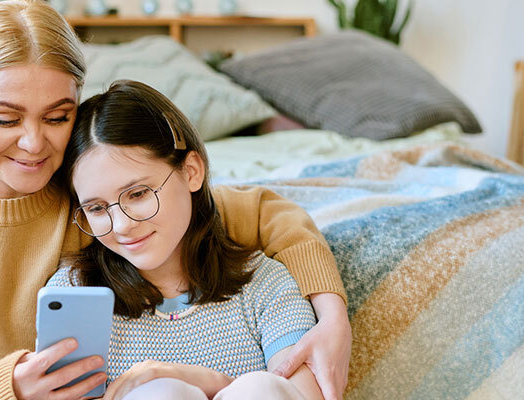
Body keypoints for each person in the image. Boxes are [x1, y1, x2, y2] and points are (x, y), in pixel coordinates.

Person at [0, 1, 349, 399]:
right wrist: (6, 387)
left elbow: (260, 213)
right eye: (6, 119)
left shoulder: (88, 198)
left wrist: (331, 316)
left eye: (57, 117)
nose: (35, 144)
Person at [47, 80, 322, 400]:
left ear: (191, 171)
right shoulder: (74, 295)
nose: (121, 225)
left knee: (260, 388)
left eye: (137, 194)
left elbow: (301, 394)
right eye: (96, 207)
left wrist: (196, 378)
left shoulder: (263, 284)